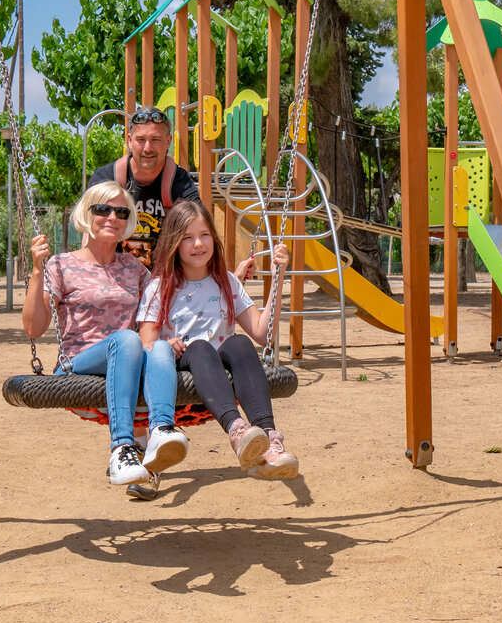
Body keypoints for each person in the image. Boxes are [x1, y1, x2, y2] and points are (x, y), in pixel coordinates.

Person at [23, 181, 189, 487]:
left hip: (126, 361)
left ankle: (157, 439)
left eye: (121, 211)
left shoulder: (134, 268)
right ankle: (121, 448)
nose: (112, 216)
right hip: (78, 365)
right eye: (102, 209)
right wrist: (37, 271)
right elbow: (34, 328)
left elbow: (155, 315)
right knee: (127, 340)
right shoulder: (61, 265)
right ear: (87, 214)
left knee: (153, 348)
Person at [137, 200, 299, 480]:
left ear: (214, 237)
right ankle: (237, 431)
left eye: (204, 235)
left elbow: (262, 333)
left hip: (220, 370)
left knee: (240, 343)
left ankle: (268, 440)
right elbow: (146, 345)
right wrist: (165, 346)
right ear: (174, 243)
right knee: (200, 346)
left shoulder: (227, 282)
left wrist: (278, 277)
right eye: (187, 238)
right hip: (184, 366)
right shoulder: (159, 287)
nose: (198, 244)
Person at [88, 105, 200, 269]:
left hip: (164, 278)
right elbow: (88, 232)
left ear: (168, 142)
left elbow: (199, 230)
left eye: (155, 140)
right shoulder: (106, 178)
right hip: (114, 277)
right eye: (140, 140)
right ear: (129, 141)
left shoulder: (179, 182)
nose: (147, 148)